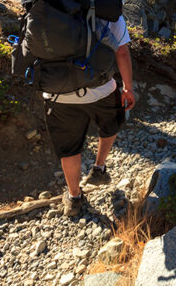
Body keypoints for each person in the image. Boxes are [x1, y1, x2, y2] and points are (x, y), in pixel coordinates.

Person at [42, 14, 136, 217]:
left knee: (69, 148)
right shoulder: (107, 7)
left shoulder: (44, 3)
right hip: (100, 89)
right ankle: (99, 168)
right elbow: (122, 52)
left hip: (58, 94)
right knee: (110, 124)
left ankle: (74, 198)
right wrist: (128, 88)